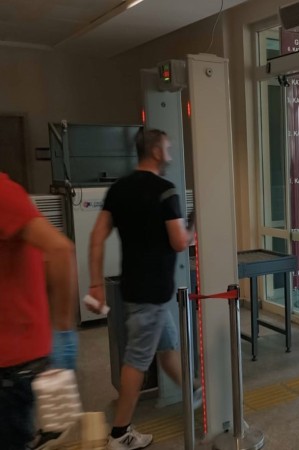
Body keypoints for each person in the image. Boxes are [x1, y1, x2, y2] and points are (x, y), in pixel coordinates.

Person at [88, 129, 196, 450]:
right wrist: (193, 228)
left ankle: (193, 391)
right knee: (137, 359)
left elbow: (96, 238)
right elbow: (179, 242)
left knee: (167, 348)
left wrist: (95, 284)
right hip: (154, 290)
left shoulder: (119, 189)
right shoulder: (165, 191)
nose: (170, 153)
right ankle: (120, 433)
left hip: (136, 286)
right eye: (168, 148)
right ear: (157, 152)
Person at [0, 173, 78, 450]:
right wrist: (61, 327)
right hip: (14, 362)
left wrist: (61, 328)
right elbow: (53, 252)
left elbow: (54, 252)